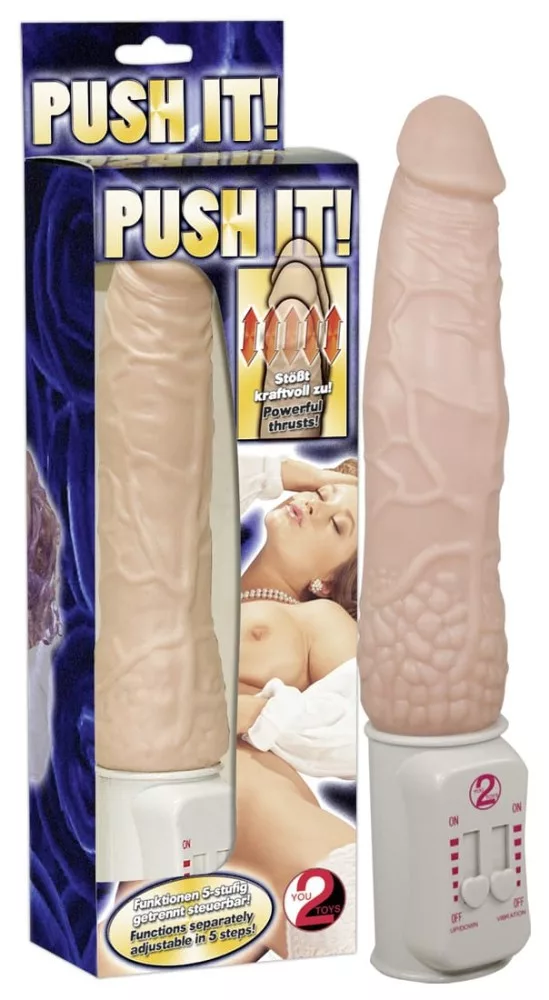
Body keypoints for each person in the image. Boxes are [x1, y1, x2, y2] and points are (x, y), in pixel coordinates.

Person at [231, 453, 358, 960]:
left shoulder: (318, 618)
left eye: (339, 526)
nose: (317, 505)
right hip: (183, 825)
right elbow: (183, 475)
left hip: (273, 821)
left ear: (329, 579)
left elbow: (358, 726)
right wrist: (289, 473)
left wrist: (255, 712)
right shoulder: (204, 571)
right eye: (322, 493)